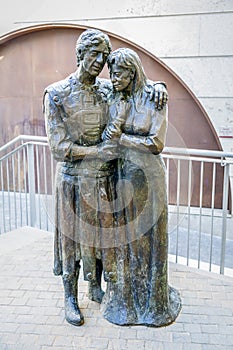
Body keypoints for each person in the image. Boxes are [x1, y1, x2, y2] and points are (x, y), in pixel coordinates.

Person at [43, 29, 168, 326]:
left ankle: (96, 287)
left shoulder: (108, 89)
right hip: (74, 181)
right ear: (80, 55)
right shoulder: (57, 94)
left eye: (104, 55)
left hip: (107, 180)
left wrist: (158, 86)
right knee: (72, 241)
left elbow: (137, 83)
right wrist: (98, 152)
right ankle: (70, 298)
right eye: (94, 54)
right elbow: (58, 148)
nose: (100, 61)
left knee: (104, 239)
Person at [101, 48, 181, 326]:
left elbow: (156, 144)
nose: (113, 77)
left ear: (133, 71)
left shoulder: (153, 98)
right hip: (124, 178)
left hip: (150, 179)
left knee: (150, 238)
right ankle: (128, 303)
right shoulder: (115, 97)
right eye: (111, 72)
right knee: (127, 238)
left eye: (120, 72)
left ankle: (153, 303)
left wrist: (122, 138)